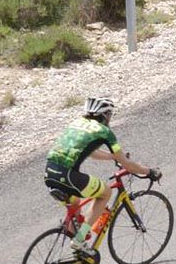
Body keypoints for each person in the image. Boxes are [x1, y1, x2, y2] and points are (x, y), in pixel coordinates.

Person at [45, 97, 161, 255]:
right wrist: (149, 172)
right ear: (105, 115)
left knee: (76, 204)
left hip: (50, 173)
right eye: (110, 114)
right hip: (69, 176)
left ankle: (75, 248)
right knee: (105, 192)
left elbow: (91, 152)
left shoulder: (76, 124)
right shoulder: (105, 132)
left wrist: (112, 157)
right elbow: (126, 164)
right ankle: (78, 241)